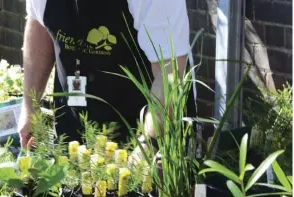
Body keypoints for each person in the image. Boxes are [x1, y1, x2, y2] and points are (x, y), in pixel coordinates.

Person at [19, 0, 195, 149]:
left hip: (146, 131)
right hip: (73, 129)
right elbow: (39, 23)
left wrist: (149, 143)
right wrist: (29, 106)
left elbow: (170, 73)